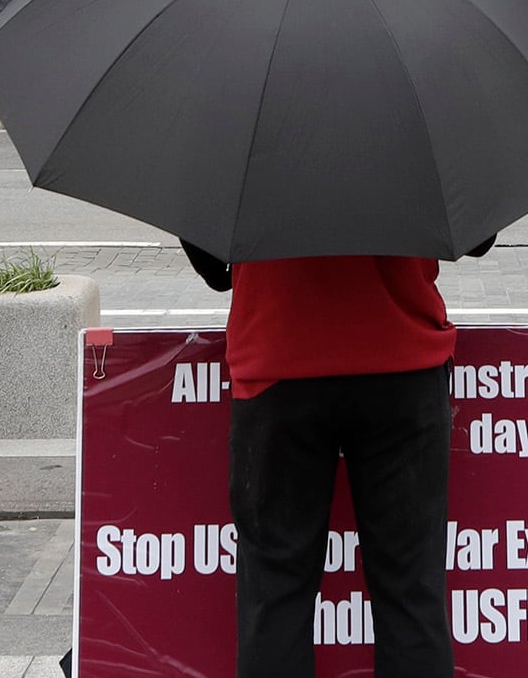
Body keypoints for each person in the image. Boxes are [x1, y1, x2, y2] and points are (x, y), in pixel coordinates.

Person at [182, 235, 493, 678]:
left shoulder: (240, 161)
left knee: (275, 594)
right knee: (411, 593)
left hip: (278, 358)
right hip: (401, 358)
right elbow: (477, 238)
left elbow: (214, 265)